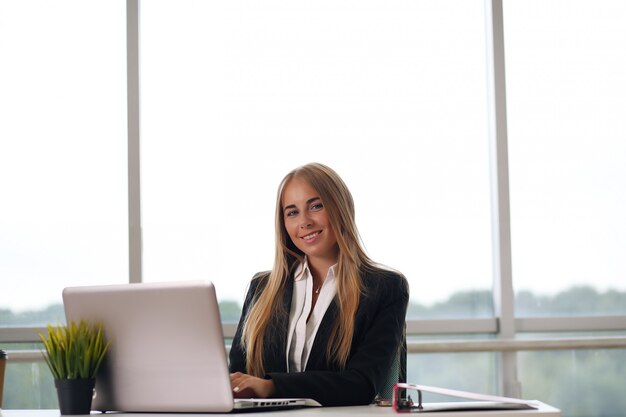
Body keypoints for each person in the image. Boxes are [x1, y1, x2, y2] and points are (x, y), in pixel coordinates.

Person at [229, 163, 409, 406]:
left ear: (340, 207)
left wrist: (271, 386)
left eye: (315, 206)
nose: (304, 222)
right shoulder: (261, 288)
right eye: (292, 212)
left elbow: (361, 384)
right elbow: (239, 375)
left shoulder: (384, 287)